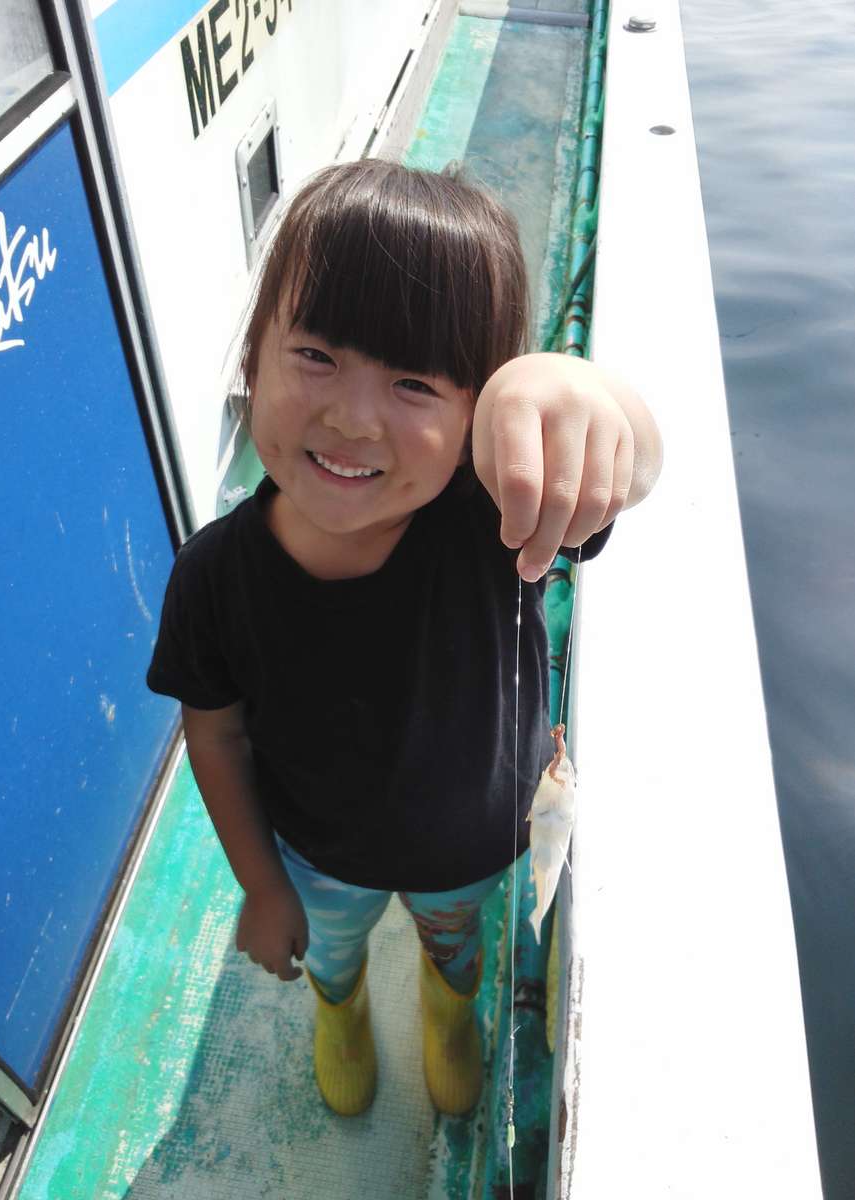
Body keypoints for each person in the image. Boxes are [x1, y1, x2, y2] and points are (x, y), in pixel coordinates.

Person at [146, 159, 662, 1119]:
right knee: (331, 953)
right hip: (316, 856)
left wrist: (565, 386)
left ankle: (448, 1007)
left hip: (471, 852)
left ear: (478, 417)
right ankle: (339, 1011)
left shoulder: (498, 518)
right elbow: (214, 733)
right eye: (315, 355)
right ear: (251, 358)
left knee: (454, 942)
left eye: (416, 382)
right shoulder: (210, 576)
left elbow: (630, 465)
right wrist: (262, 888)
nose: (353, 417)